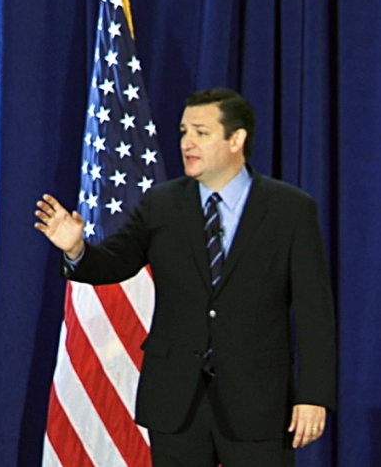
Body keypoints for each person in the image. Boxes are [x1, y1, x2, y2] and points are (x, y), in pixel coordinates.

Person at [34, 88, 336, 466]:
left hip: (257, 402)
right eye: (182, 132)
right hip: (176, 402)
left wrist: (314, 395)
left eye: (201, 132)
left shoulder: (290, 210)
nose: (187, 142)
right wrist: (76, 249)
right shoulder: (162, 204)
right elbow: (114, 263)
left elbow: (315, 312)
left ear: (236, 139)